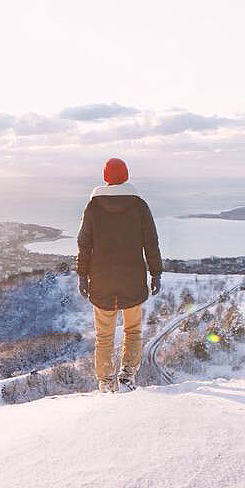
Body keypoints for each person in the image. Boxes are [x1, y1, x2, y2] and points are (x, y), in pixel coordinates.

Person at [75, 158, 163, 393]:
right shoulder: (139, 206)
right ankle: (127, 376)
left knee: (104, 336)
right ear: (126, 176)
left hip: (101, 281)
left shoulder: (93, 207)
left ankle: (106, 383)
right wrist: (156, 273)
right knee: (132, 330)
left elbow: (84, 244)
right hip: (132, 280)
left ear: (106, 178)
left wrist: (82, 275)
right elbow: (151, 242)